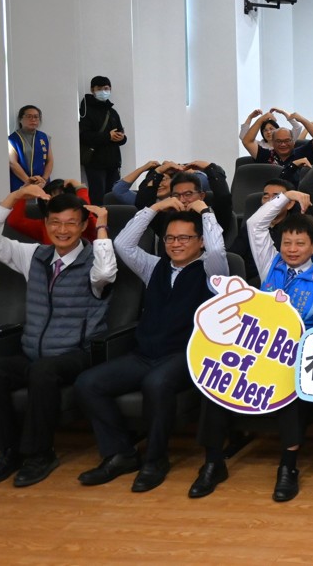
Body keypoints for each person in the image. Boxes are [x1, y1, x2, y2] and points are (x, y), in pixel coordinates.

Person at [188, 189, 313, 502]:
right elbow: (255, 224)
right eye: (287, 242)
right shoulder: (271, 262)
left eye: (300, 243)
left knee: (287, 390)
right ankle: (213, 462)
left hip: (292, 357)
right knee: (215, 382)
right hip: (252, 350)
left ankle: (288, 466)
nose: (292, 250)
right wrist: (286, 196)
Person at [74, 194, 228, 493]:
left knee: (156, 384)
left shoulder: (213, 272)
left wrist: (205, 212)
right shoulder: (154, 266)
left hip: (185, 355)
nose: (176, 244)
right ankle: (121, 453)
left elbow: (218, 249)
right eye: (170, 238)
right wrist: (155, 208)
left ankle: (155, 460)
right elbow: (124, 244)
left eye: (184, 238)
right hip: (144, 353)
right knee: (88, 383)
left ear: (200, 242)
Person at [0, 186, 115, 487]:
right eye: (55, 222)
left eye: (71, 223)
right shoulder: (33, 256)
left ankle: (40, 453)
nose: (62, 230)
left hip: (76, 354)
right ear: (46, 224)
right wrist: (14, 198)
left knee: (43, 371)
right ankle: (9, 451)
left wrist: (102, 227)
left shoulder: (93, 261)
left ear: (82, 226)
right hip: (33, 353)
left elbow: (106, 274)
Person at [79, 76, 127, 201]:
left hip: (114, 163)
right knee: (98, 197)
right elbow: (84, 136)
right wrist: (108, 136)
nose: (103, 91)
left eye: (106, 88)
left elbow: (121, 135)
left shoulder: (112, 112)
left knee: (114, 197)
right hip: (95, 163)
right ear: (92, 90)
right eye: (99, 89)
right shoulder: (85, 111)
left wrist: (121, 138)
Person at [9, 105, 52, 191]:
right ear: (20, 119)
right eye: (29, 116)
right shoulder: (13, 139)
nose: (33, 119)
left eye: (36, 117)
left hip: (42, 184)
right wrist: (29, 182)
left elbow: (50, 161)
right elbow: (13, 163)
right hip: (21, 183)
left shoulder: (44, 137)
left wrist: (44, 180)